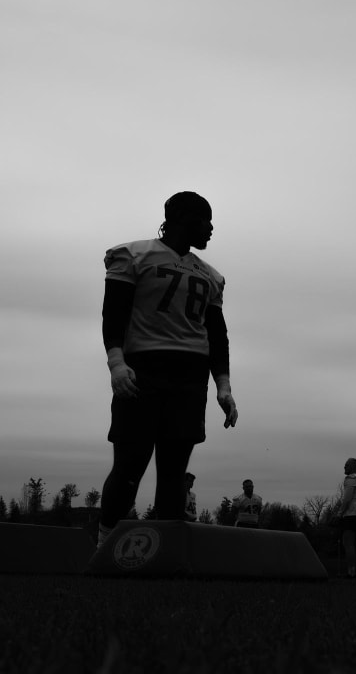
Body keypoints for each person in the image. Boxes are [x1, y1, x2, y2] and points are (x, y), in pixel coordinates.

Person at [96, 191, 238, 548]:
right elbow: (113, 312)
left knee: (174, 475)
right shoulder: (134, 256)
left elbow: (217, 335)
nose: (210, 228)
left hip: (189, 378)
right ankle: (104, 544)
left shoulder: (210, 275)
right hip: (143, 369)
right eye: (205, 219)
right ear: (184, 219)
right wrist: (117, 363)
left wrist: (223, 384)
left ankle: (164, 554)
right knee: (130, 465)